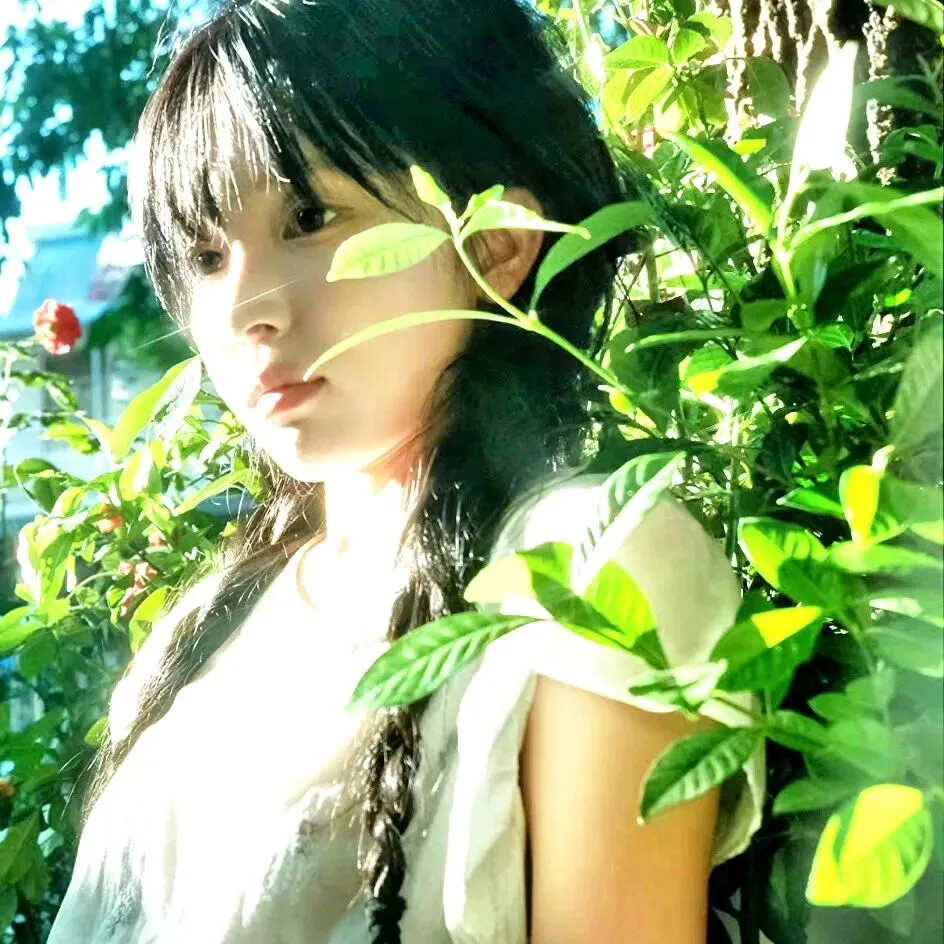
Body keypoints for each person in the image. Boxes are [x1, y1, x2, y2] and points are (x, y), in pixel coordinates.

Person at [48, 0, 763, 941]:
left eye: (310, 216)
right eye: (207, 255)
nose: (242, 308)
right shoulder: (215, 614)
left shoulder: (593, 568)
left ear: (496, 243)